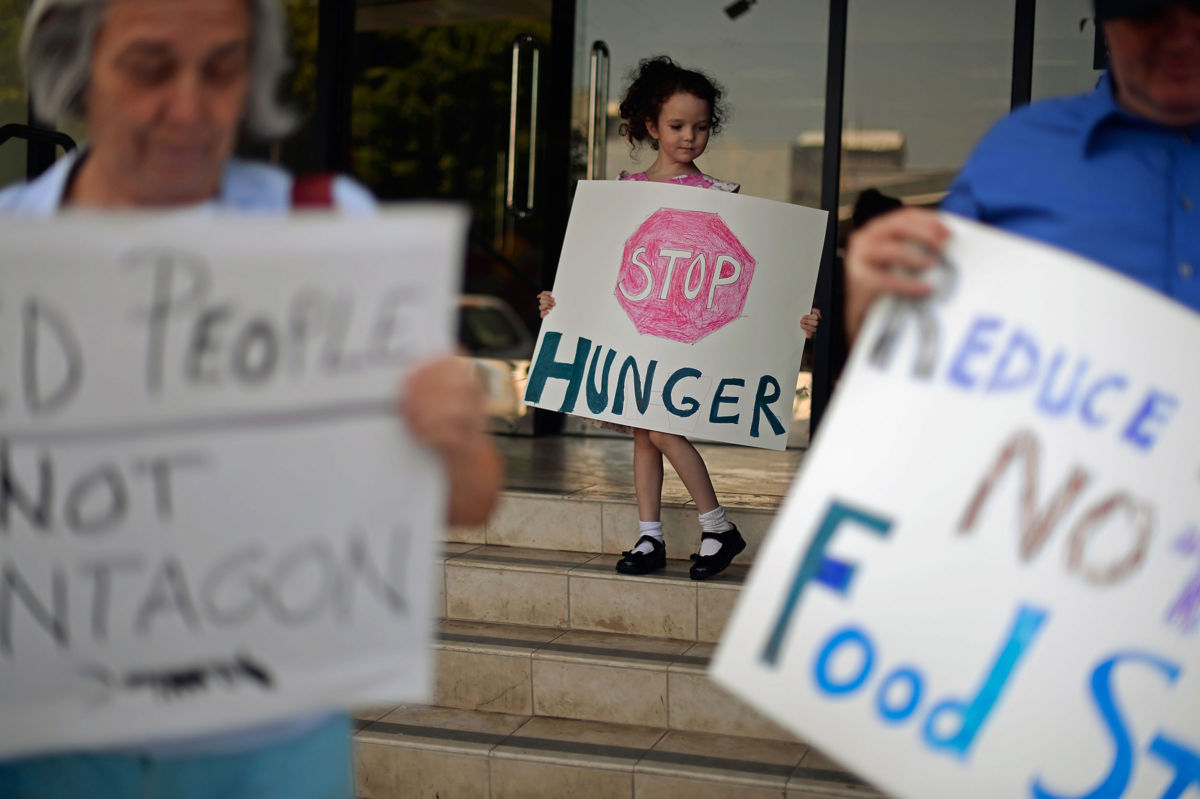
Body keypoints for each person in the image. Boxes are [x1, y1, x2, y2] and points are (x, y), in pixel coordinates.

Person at [0, 0, 502, 796]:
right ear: (77, 63)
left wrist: (453, 433)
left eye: (223, 67)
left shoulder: (329, 233)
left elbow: (474, 498)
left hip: (270, 756)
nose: (191, 108)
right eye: (150, 67)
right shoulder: (10, 256)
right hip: (43, 752)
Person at [538, 56, 819, 580]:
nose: (689, 137)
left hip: (686, 344)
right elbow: (597, 270)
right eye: (677, 126)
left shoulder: (721, 199)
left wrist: (790, 318)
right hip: (635, 336)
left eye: (701, 127)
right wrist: (562, 304)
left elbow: (752, 278)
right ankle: (651, 537)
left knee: (662, 432)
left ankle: (717, 526)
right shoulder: (621, 196)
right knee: (645, 435)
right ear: (650, 126)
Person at [845, 0, 1200, 343]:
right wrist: (879, 316)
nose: (1180, 36)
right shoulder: (1016, 154)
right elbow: (930, 350)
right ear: (1105, 18)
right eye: (1149, 12)